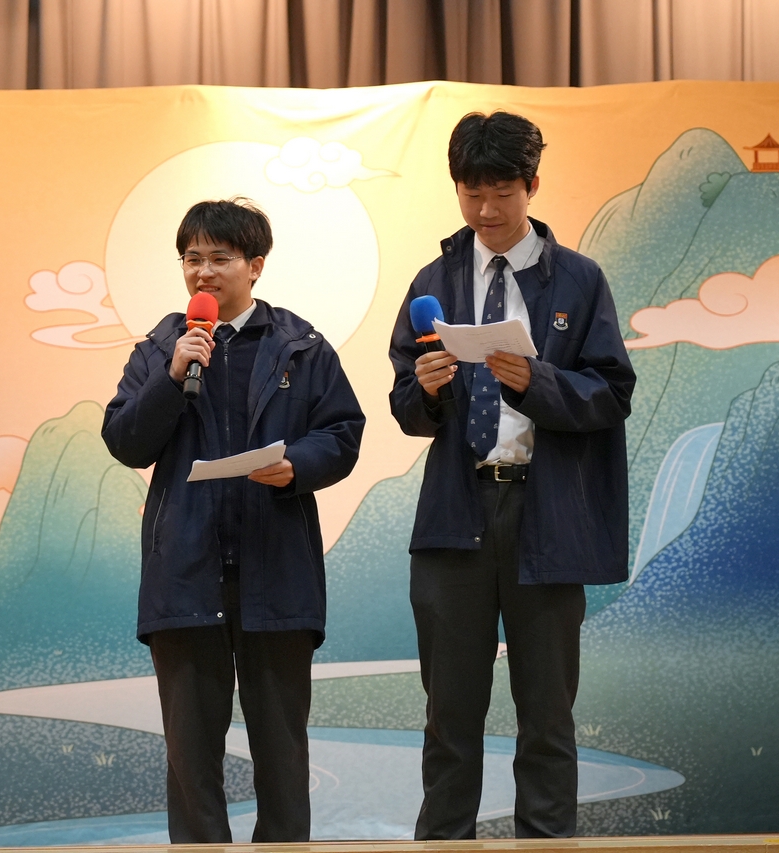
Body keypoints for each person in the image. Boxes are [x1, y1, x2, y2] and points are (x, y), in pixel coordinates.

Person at [388, 111, 636, 839]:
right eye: (473, 193)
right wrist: (425, 389)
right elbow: (406, 408)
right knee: (449, 716)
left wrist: (537, 381)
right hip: (456, 515)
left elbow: (613, 393)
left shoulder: (579, 280)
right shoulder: (433, 281)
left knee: (547, 716)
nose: (487, 211)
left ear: (532, 185)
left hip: (546, 514)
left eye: (502, 192)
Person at [102, 198, 365, 844]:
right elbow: (126, 440)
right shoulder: (161, 348)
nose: (203, 272)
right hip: (185, 577)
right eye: (191, 258)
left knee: (282, 754)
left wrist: (296, 465)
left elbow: (342, 432)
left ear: (256, 265)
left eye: (219, 258)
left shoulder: (301, 347)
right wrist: (171, 377)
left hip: (276, 574)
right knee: (191, 761)